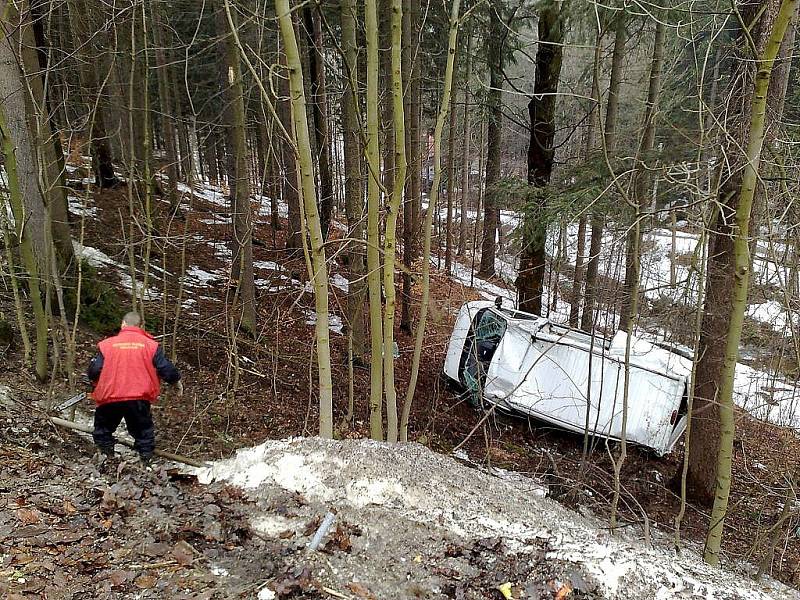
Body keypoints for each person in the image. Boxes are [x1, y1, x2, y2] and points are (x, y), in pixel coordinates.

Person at [87, 311, 183, 465]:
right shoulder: (151, 346)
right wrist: (176, 382)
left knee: (103, 430)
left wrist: (93, 382)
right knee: (143, 433)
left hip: (110, 396)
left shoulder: (106, 345)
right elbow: (165, 368)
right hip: (138, 398)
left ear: (123, 324)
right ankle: (145, 463)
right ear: (141, 326)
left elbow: (94, 369)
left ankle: (105, 459)